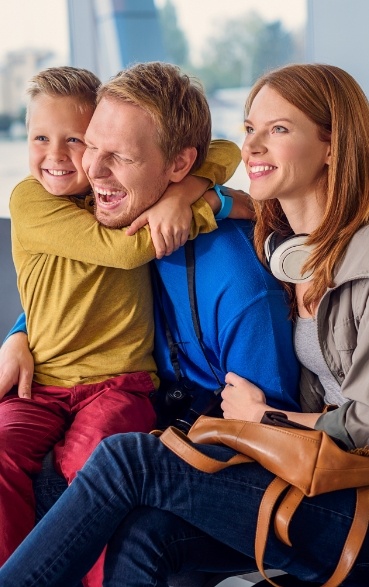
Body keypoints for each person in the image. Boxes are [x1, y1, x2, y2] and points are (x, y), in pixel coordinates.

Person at [6, 63, 347, 587]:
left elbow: (262, 442)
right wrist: (20, 333)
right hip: (164, 420)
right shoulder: (128, 225)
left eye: (117, 156)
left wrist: (203, 196)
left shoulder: (238, 288)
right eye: (90, 145)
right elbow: (73, 296)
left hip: (250, 464)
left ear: (178, 165)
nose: (90, 170)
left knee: (128, 492)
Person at [0, 62, 245, 586]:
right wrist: (200, 204)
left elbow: (223, 149)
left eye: (78, 140)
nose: (60, 156)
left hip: (119, 383)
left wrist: (184, 190)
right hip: (40, 383)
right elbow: (125, 251)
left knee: (96, 473)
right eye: (40, 137)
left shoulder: (110, 191)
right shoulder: (32, 199)